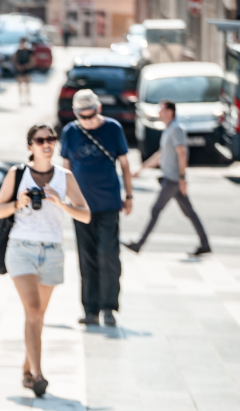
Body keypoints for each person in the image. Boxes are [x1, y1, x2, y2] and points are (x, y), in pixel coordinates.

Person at [0, 125, 90, 397]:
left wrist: (61, 204)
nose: (47, 144)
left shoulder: (64, 176)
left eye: (51, 139)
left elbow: (85, 215)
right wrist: (19, 203)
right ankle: (38, 375)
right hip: (20, 248)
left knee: (37, 317)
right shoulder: (18, 174)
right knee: (34, 311)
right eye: (40, 140)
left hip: (52, 250)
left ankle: (26, 369)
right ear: (30, 146)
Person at [60, 89, 133, 327]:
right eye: (83, 117)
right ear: (76, 114)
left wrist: (129, 195)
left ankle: (109, 307)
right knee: (86, 257)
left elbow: (124, 164)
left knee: (108, 255)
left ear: (98, 109)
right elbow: (66, 168)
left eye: (91, 115)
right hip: (80, 207)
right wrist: (64, 199)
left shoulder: (113, 128)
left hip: (109, 203)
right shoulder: (70, 132)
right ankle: (90, 309)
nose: (88, 121)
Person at [125, 100, 211, 257]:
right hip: (172, 179)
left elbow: (182, 153)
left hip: (173, 180)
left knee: (156, 209)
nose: (159, 113)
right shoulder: (168, 130)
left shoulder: (176, 129)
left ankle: (139, 244)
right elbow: (160, 155)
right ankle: (205, 244)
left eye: (161, 110)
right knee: (189, 212)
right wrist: (141, 169)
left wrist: (182, 178)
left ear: (170, 112)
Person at [13, 38, 35, 105]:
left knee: (27, 85)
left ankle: (28, 99)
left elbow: (33, 60)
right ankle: (21, 99)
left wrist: (27, 66)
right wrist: (18, 66)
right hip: (20, 69)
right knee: (20, 85)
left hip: (27, 69)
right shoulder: (18, 51)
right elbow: (15, 60)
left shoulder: (29, 51)